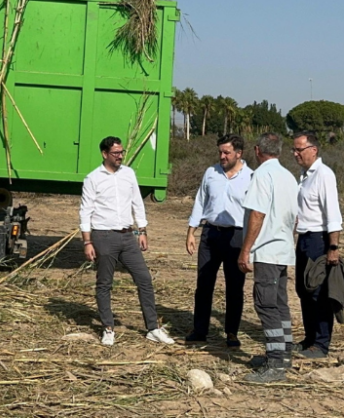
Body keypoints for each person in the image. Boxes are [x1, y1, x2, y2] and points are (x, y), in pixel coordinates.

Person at [80, 136, 174, 347]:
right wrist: (87, 242)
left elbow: (137, 203)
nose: (120, 156)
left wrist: (142, 230)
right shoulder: (93, 178)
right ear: (105, 154)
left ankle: (152, 328)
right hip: (103, 236)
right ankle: (108, 328)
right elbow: (85, 211)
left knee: (144, 279)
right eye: (115, 153)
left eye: (121, 152)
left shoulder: (128, 174)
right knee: (105, 283)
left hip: (127, 236)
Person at [237, 133, 300, 384]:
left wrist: (246, 249)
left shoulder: (262, 175)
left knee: (266, 305)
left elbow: (258, 214)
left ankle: (275, 363)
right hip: (283, 248)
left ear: (257, 150)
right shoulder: (288, 176)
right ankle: (283, 355)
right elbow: (295, 217)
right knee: (280, 303)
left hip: (266, 250)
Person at [184, 133, 253, 347]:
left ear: (239, 154)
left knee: (234, 286)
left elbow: (255, 213)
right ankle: (200, 330)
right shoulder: (211, 173)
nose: (222, 156)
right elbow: (200, 201)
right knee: (204, 284)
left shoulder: (251, 177)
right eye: (220, 152)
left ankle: (231, 332)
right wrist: (191, 231)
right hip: (210, 234)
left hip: (236, 237)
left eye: (227, 152)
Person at [291, 131, 343, 358]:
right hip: (303, 239)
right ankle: (309, 338)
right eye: (294, 150)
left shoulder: (324, 175)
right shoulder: (304, 175)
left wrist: (333, 247)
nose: (295, 154)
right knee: (303, 290)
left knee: (318, 293)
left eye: (299, 150)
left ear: (313, 149)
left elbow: (333, 214)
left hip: (318, 240)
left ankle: (321, 344)